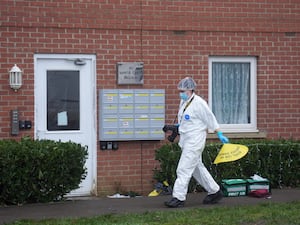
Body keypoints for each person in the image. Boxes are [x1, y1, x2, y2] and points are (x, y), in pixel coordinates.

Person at [164, 77, 229, 208]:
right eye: (180, 91)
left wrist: (219, 133)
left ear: (190, 90)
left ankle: (178, 198)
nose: (180, 93)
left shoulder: (199, 103)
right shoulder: (183, 102)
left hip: (195, 141)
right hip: (186, 139)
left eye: (183, 91)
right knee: (197, 169)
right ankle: (215, 191)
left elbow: (210, 118)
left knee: (183, 169)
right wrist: (176, 126)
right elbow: (186, 120)